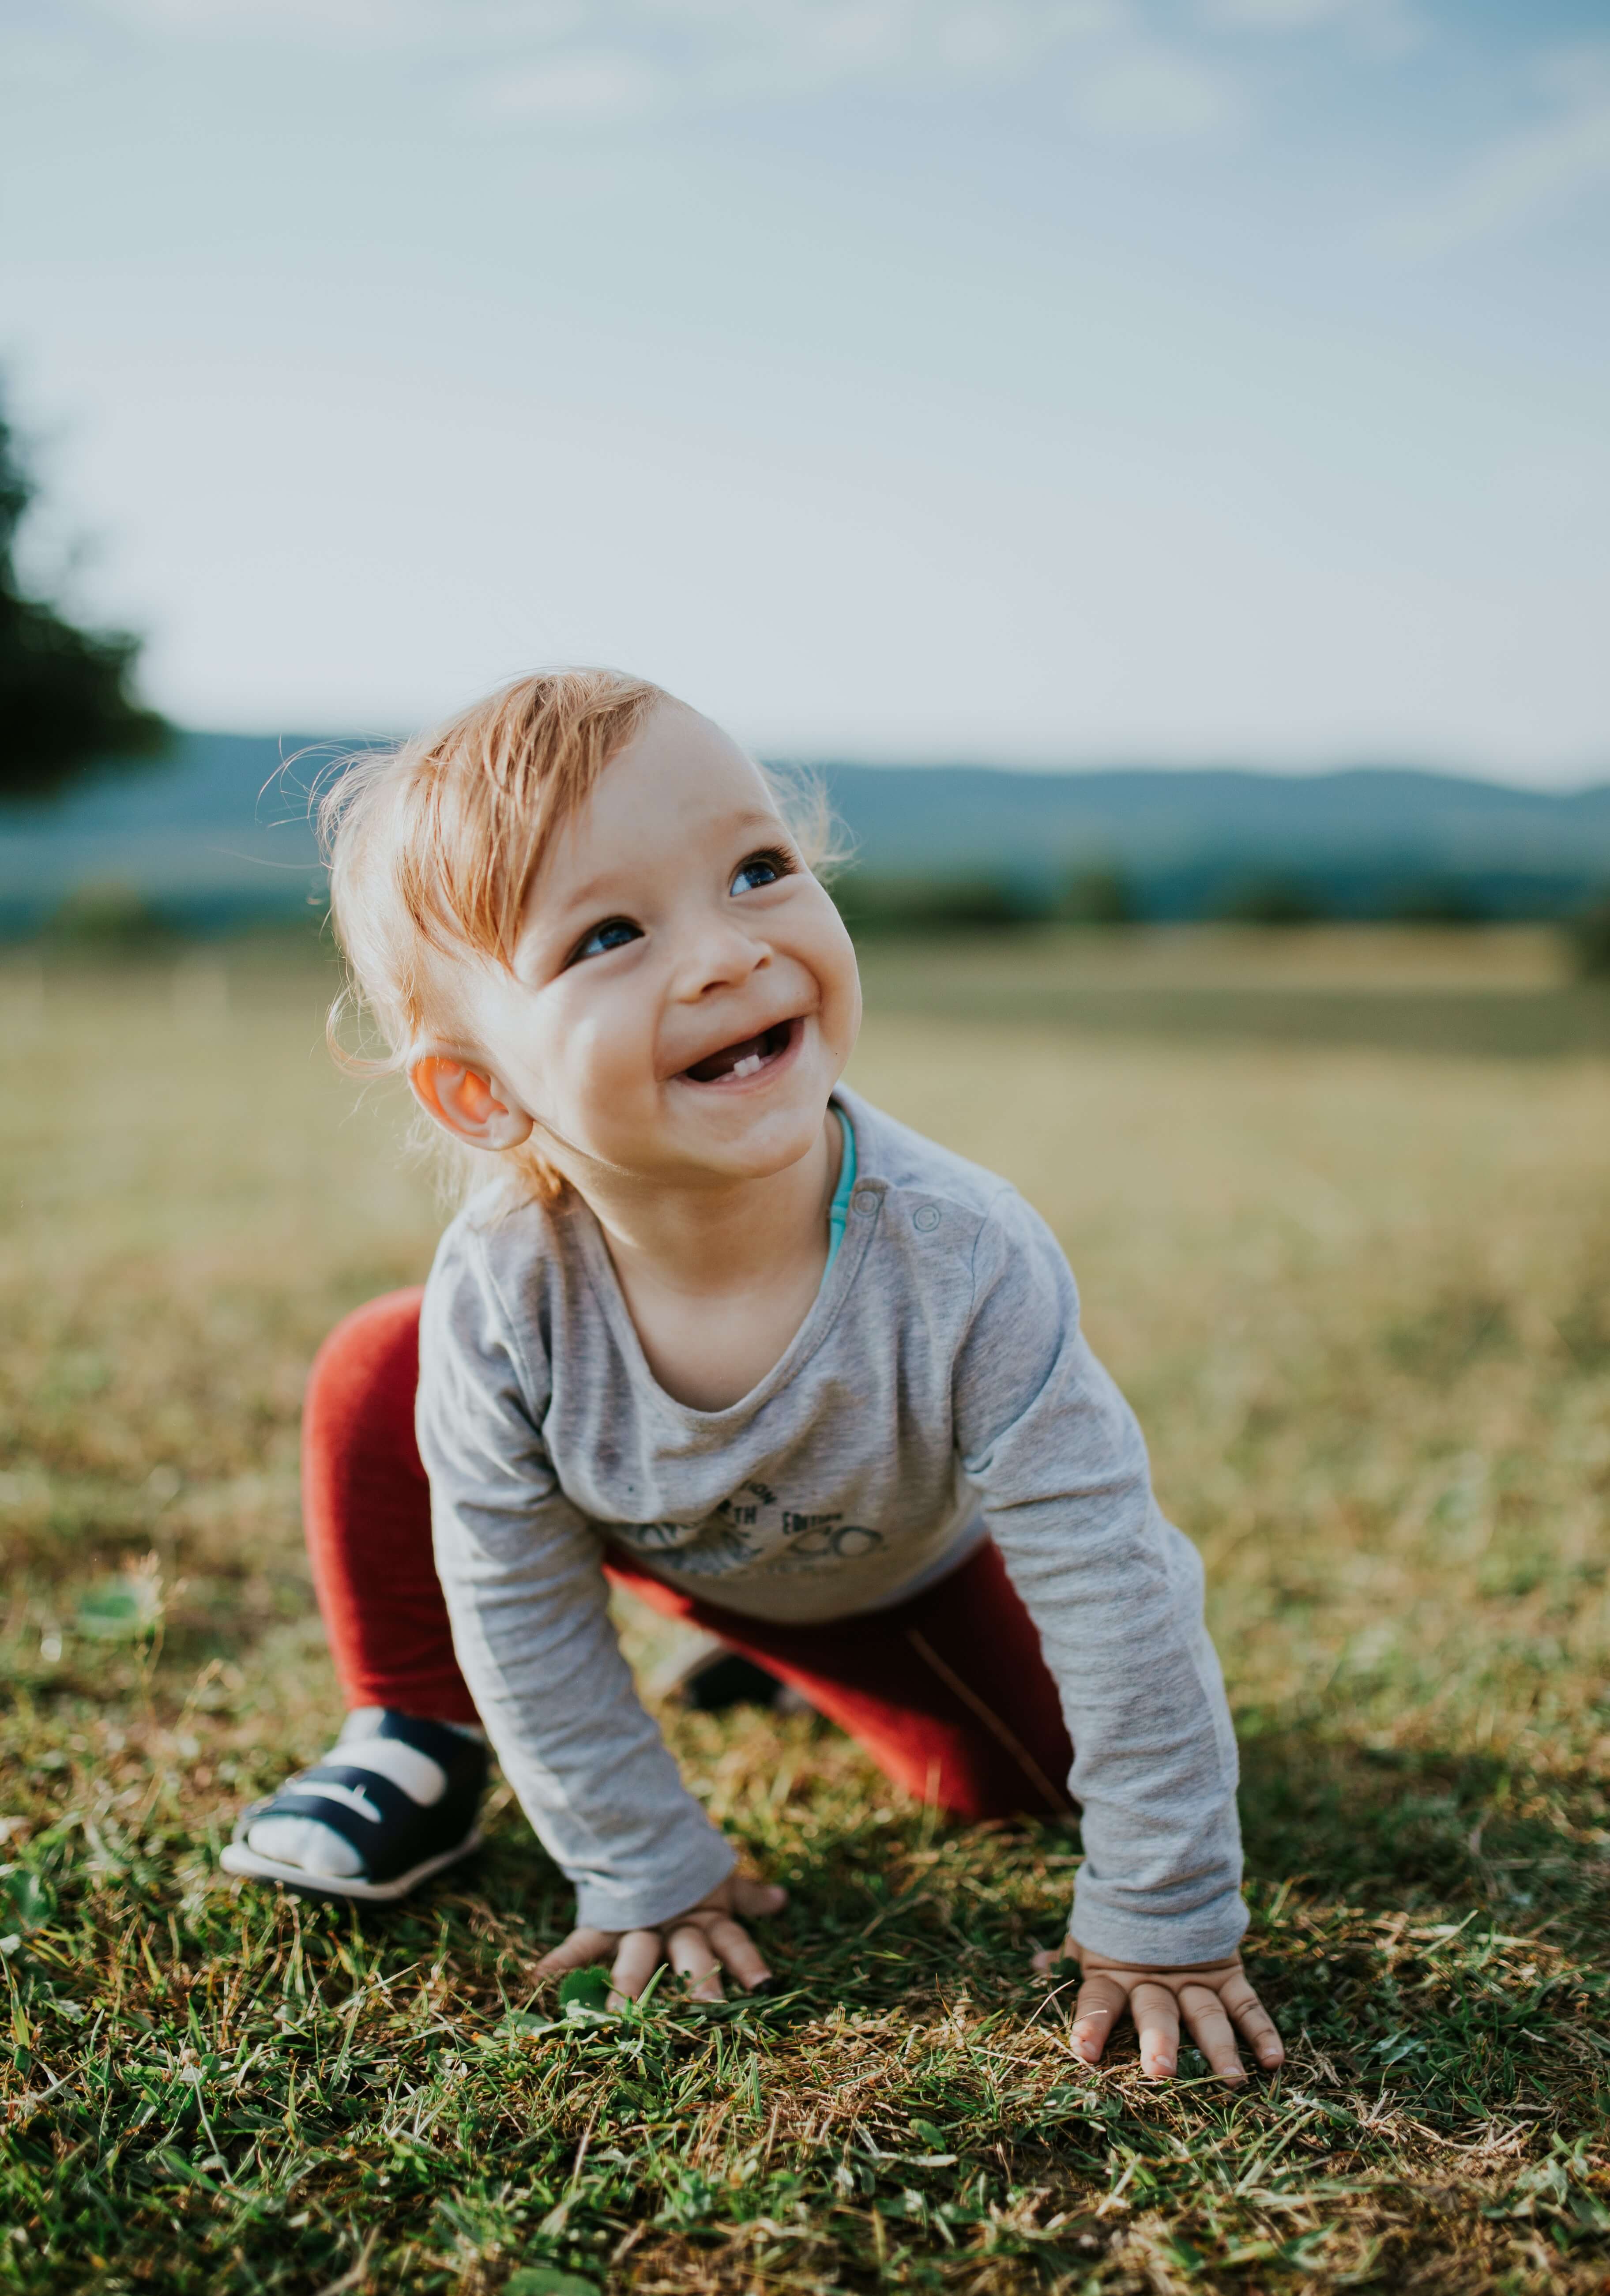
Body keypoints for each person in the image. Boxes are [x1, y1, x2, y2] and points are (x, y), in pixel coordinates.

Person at [221, 670, 1284, 2088]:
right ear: (482, 1092)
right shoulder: (506, 1285)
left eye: (758, 869)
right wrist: (643, 1866)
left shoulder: (965, 1258)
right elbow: (517, 1599)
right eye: (608, 934)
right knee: (382, 1358)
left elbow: (1112, 1581)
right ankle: (411, 1732)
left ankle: (783, 1656)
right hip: (629, 1527)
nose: (727, 954)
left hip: (874, 1570)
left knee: (1014, 1785)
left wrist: (1167, 1914)